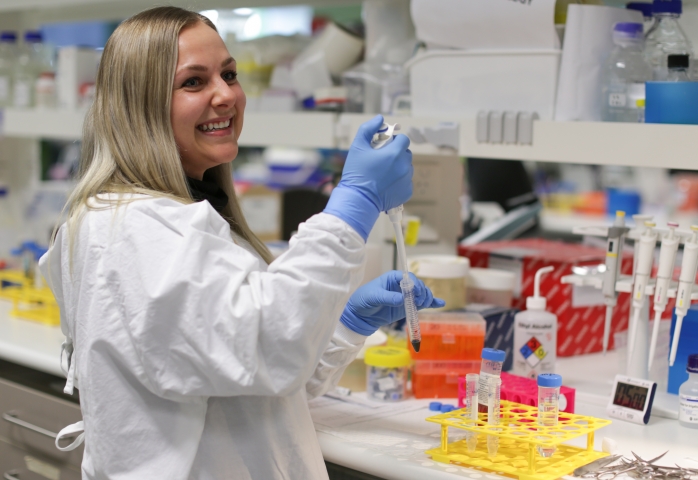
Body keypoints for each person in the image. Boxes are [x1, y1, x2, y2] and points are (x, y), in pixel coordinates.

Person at [40, 7, 444, 479]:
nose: (226, 95)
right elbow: (268, 347)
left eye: (229, 74)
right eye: (194, 82)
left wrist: (345, 324)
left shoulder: (174, 214)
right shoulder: (136, 229)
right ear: (141, 104)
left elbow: (252, 379)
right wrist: (353, 205)